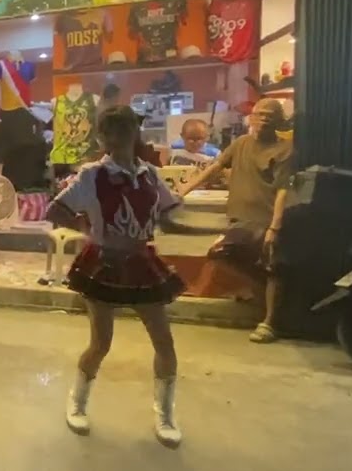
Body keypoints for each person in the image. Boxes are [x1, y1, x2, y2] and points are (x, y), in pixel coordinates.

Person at [45, 106, 185, 447]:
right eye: (114, 130)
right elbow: (55, 209)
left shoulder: (150, 174)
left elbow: (168, 212)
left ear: (136, 132)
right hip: (104, 263)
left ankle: (165, 414)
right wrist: (90, 229)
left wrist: (188, 221)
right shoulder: (92, 175)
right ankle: (76, 404)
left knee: (164, 341)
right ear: (102, 137)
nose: (121, 136)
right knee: (101, 342)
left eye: (127, 129)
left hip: (141, 261)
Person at [180, 98, 293, 343]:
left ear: (279, 121)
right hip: (239, 218)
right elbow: (215, 167)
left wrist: (276, 224)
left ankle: (269, 322)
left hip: (265, 219)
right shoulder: (241, 143)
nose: (263, 119)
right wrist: (182, 191)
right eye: (259, 114)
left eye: (269, 115)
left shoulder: (285, 149)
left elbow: (283, 189)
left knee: (271, 267)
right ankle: (260, 293)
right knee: (221, 253)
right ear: (251, 117)